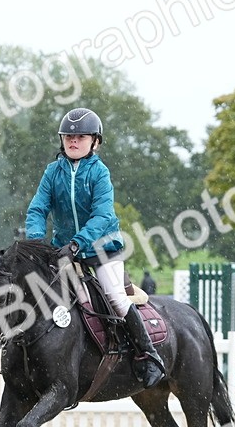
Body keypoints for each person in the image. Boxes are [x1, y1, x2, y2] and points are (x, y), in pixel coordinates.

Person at [25, 107, 166, 387]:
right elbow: (37, 209)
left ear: (95, 142)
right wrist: (36, 241)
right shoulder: (52, 172)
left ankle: (148, 356)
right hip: (63, 251)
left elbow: (102, 217)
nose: (73, 141)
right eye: (68, 137)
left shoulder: (100, 173)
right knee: (41, 292)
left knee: (114, 296)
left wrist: (78, 243)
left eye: (80, 137)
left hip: (102, 251)